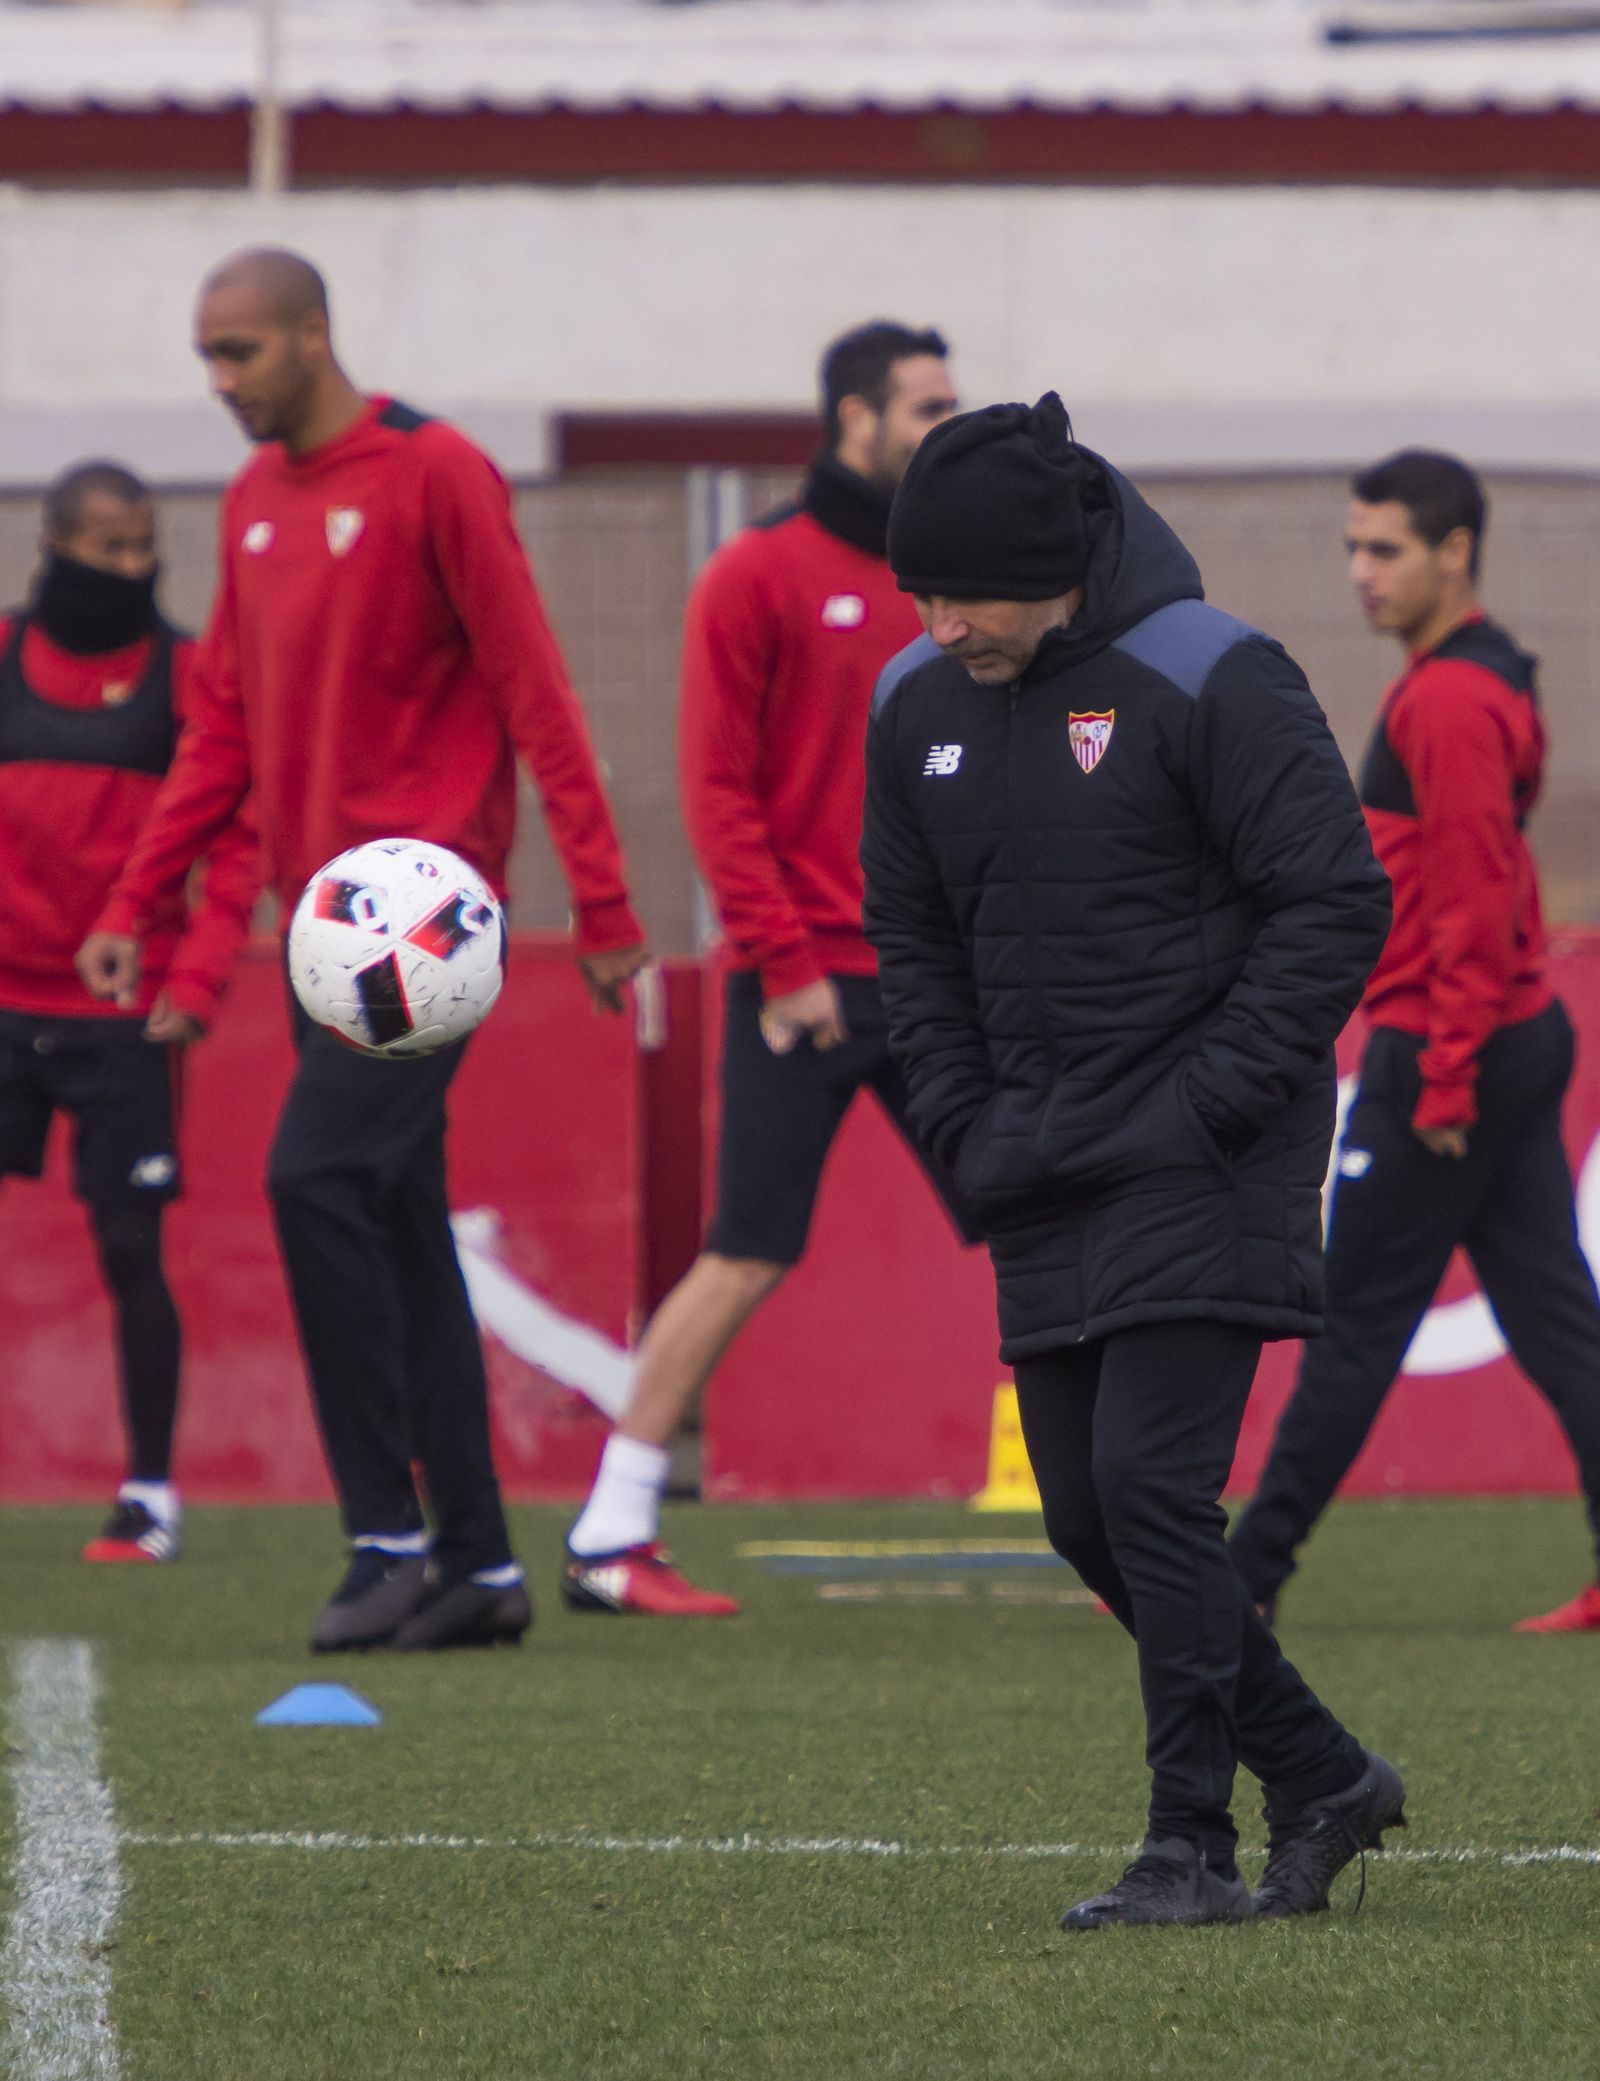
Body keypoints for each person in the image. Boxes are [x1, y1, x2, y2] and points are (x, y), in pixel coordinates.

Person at [862, 393, 1405, 1928]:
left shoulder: (1212, 674)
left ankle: (1191, 1847)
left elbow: (1333, 904)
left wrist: (1209, 1104)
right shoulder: (916, 699)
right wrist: (962, 1121)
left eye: (969, 592)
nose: (945, 622)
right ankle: (1324, 1774)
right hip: (1036, 1153)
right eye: (923, 591)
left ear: (1060, 567)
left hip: (1204, 1148)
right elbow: (911, 940)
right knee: (1082, 1518)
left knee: (1149, 1491)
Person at [78, 248, 647, 1652]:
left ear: (313, 335)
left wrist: (608, 907)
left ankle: (383, 1533)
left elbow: (535, 691)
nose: (221, 382)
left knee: (311, 1175)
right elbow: (220, 726)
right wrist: (133, 907)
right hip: (320, 929)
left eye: (243, 352)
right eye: (206, 356)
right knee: (392, 1221)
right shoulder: (261, 505)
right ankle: (475, 1565)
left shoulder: (436, 471)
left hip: (428, 922)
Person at [561, 321, 963, 1617]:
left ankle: (1135, 1526)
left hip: (940, 982)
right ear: (854, 417)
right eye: (925, 407)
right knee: (743, 1251)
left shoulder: (960, 579)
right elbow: (715, 793)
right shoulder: (757, 572)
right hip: (802, 986)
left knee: (1050, 1226)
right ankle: (610, 1533)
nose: (945, 427)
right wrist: (786, 965)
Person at [1229, 451, 1600, 1636]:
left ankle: (1243, 1580)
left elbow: (1473, 896)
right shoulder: (1478, 675)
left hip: (1456, 1050)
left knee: (1351, 1327)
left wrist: (1441, 1074)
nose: (1359, 572)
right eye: (1351, 546)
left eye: (1383, 548)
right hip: (1502, 1033)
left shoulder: (1445, 698)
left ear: (1454, 551)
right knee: (1555, 1320)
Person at [0, 462, 257, 1565]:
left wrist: (194, 982)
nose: (133, 568)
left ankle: (148, 1490)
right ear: (54, 544)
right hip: (4, 1002)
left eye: (144, 546)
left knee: (128, 1246)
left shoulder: (190, 673)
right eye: (107, 547)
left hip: (125, 1016)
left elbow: (236, 850)